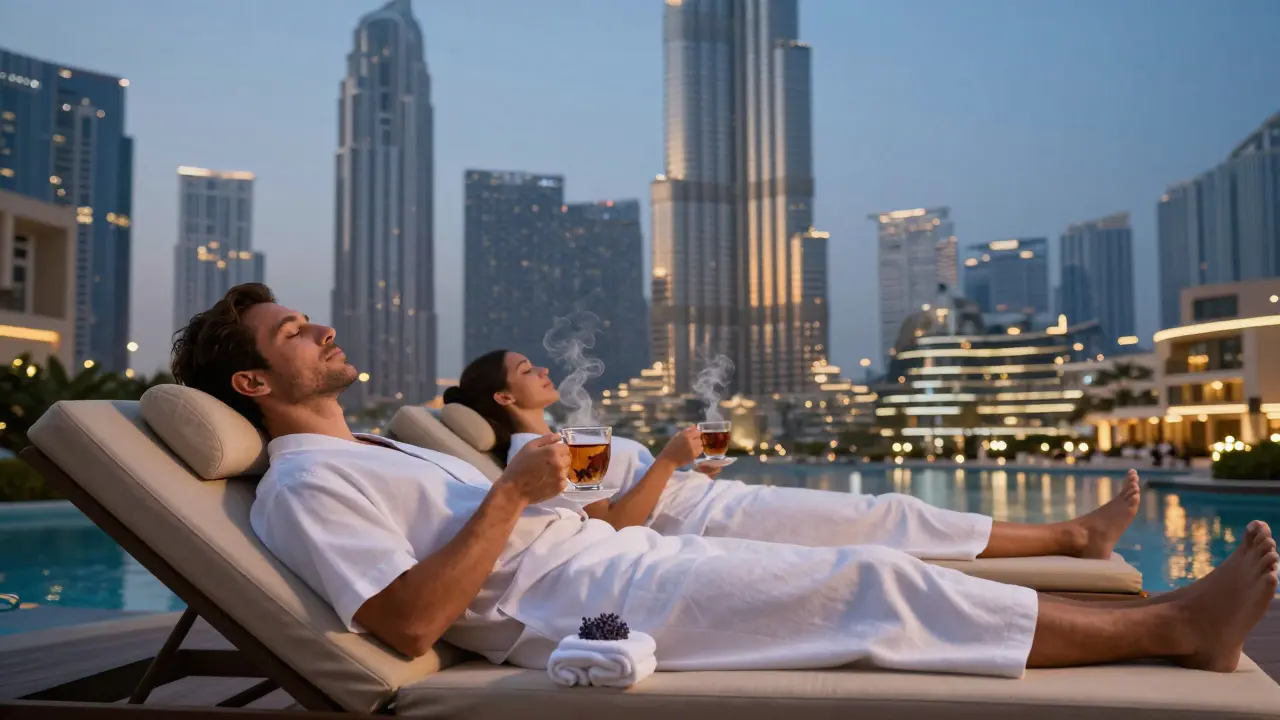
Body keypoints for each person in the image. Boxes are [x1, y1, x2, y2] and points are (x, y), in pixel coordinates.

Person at [170, 283, 1276, 681]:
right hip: (582, 607)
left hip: (616, 558)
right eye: (292, 331)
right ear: (254, 382)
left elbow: (559, 508)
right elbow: (406, 625)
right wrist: (513, 495)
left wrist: (567, 490)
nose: (320, 328)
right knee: (870, 585)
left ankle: (1138, 602)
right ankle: (1175, 630)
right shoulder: (304, 484)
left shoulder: (378, 448)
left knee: (871, 554)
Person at [445, 350, 1136, 562]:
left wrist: (689, 469)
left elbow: (625, 505)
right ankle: (1072, 537)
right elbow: (614, 529)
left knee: (886, 516)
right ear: (504, 398)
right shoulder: (542, 454)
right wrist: (667, 462)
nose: (543, 370)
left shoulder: (566, 439)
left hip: (711, 500)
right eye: (527, 369)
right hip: (710, 523)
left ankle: (1067, 537)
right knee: (887, 518)